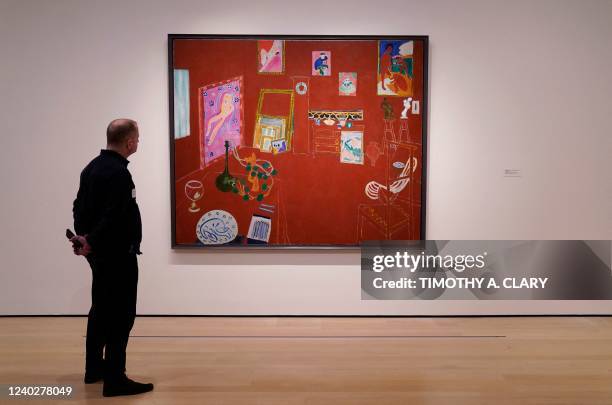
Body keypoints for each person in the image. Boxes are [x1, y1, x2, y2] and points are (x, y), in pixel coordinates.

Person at [70, 119, 153, 397]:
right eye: (137, 139)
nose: (138, 143)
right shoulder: (118, 173)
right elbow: (113, 216)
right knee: (120, 315)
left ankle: (94, 369)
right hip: (117, 255)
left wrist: (84, 239)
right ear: (129, 142)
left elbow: (79, 207)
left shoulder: (91, 167)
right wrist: (90, 240)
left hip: (100, 254)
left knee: (101, 310)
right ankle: (115, 379)